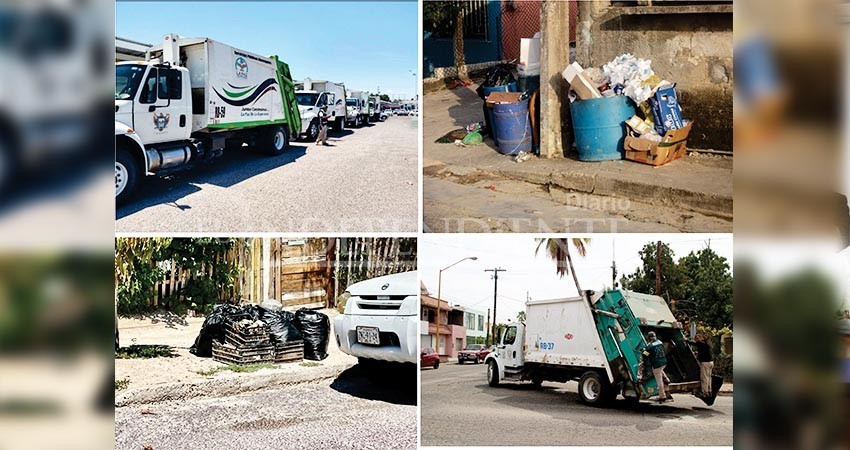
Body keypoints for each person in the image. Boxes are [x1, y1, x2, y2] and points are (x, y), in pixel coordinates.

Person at [642, 331, 671, 402]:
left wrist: (643, 351)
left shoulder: (650, 346)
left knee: (659, 381)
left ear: (649, 338)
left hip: (657, 364)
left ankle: (662, 396)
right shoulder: (660, 342)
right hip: (663, 361)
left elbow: (645, 355)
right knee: (660, 370)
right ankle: (667, 379)